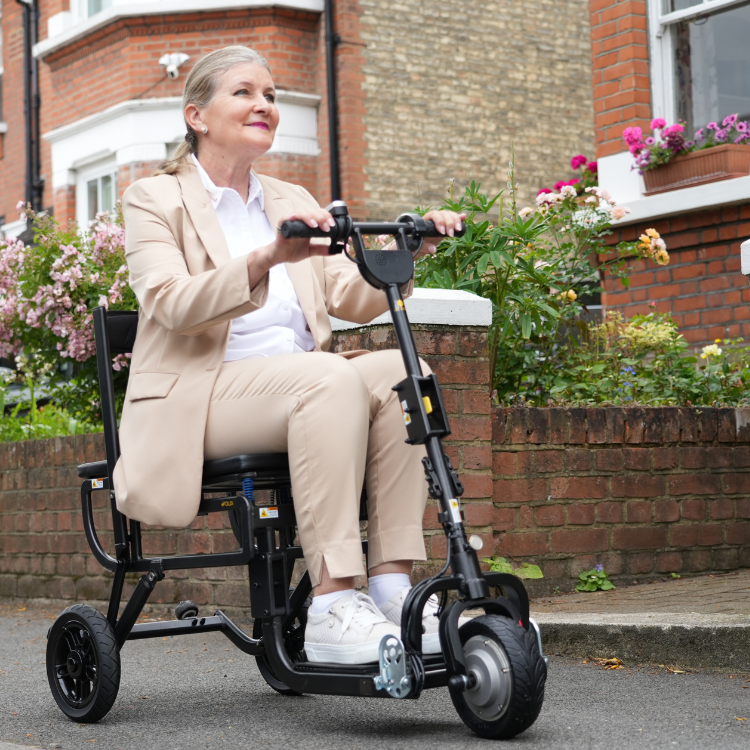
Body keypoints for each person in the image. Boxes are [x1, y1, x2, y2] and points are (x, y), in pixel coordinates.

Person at [116, 46, 464, 665]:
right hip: (203, 396)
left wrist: (415, 249)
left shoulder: (288, 196)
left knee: (403, 374)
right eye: (245, 92)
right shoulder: (154, 199)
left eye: (272, 95)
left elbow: (348, 296)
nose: (264, 105)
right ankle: (332, 602)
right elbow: (170, 303)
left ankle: (392, 588)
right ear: (196, 115)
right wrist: (265, 259)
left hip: (299, 385)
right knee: (326, 377)